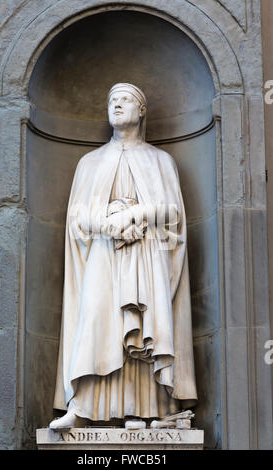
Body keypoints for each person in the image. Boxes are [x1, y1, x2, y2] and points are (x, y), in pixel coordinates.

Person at [50, 83, 197, 430]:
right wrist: (109, 224)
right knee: (97, 323)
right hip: (103, 256)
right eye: (111, 100)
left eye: (125, 99)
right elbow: (77, 220)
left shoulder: (161, 161)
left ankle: (150, 411)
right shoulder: (90, 162)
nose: (116, 105)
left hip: (147, 258)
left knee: (147, 325)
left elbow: (172, 215)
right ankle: (84, 407)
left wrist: (136, 216)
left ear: (141, 110)